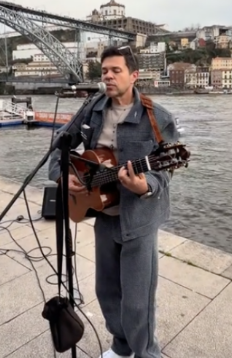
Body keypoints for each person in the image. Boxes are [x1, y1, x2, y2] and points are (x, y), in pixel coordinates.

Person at [48, 45, 179, 358]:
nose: (107, 75)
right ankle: (121, 347)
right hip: (103, 214)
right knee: (106, 292)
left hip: (139, 219)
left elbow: (168, 167)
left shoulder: (157, 117)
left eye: (115, 70)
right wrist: (64, 177)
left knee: (137, 300)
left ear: (133, 75)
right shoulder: (92, 109)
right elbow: (58, 148)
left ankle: (147, 353)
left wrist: (145, 183)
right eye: (104, 70)